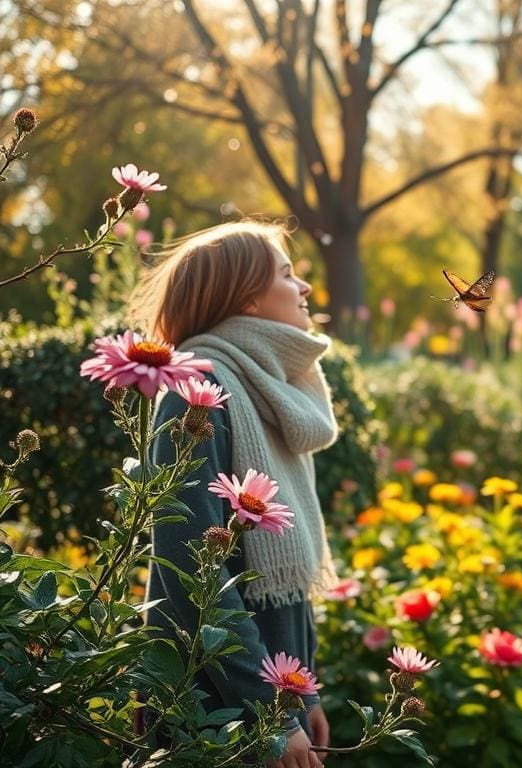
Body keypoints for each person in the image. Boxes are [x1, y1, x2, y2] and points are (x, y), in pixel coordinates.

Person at [129, 221, 338, 768]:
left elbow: (284, 576)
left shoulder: (271, 395)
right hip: (209, 710)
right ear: (248, 297)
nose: (306, 289)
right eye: (289, 275)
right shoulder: (196, 392)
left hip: (272, 708)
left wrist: (302, 694)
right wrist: (269, 712)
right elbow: (187, 566)